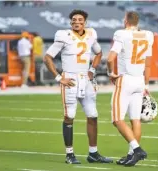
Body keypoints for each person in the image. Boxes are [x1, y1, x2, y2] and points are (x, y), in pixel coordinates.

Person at [44, 9, 113, 164]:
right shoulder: (63, 36)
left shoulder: (91, 34)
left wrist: (92, 70)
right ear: (70, 22)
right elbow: (47, 57)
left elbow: (99, 53)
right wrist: (58, 77)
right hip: (70, 79)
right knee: (69, 116)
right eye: (74, 20)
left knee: (93, 115)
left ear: (85, 22)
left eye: (80, 20)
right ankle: (69, 154)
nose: (77, 22)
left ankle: (93, 153)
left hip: (86, 79)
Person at [107, 11, 153, 167]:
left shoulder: (121, 34)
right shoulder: (148, 35)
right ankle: (131, 156)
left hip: (125, 79)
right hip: (139, 80)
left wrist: (110, 72)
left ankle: (137, 149)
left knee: (117, 119)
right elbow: (147, 63)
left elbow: (110, 58)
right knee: (135, 120)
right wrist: (146, 84)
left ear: (126, 20)